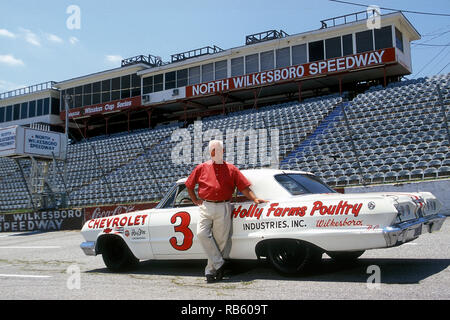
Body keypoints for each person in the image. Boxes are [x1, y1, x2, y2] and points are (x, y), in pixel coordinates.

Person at [185, 140, 267, 283]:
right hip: (206, 206)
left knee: (220, 241)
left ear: (223, 151)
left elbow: (243, 187)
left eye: (218, 150)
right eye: (213, 150)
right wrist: (195, 200)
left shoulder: (231, 169)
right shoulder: (201, 167)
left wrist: (255, 199)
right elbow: (189, 185)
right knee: (201, 233)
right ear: (210, 152)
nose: (215, 152)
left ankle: (210, 271)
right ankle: (220, 263)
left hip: (223, 206)